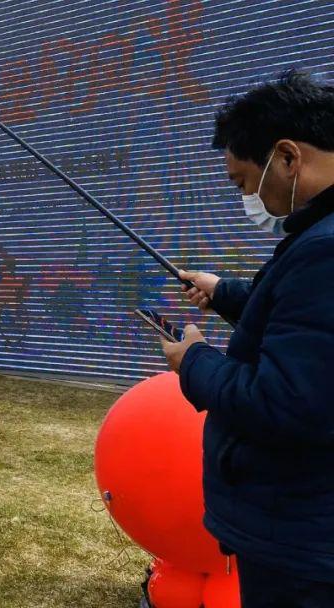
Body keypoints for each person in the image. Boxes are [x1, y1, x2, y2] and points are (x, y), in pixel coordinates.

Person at [159, 71, 334, 605]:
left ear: (287, 158)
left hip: (302, 544)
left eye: (242, 182)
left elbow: (285, 400)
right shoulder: (318, 240)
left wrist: (193, 361)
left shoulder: (324, 251)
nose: (246, 198)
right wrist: (228, 294)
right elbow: (306, 331)